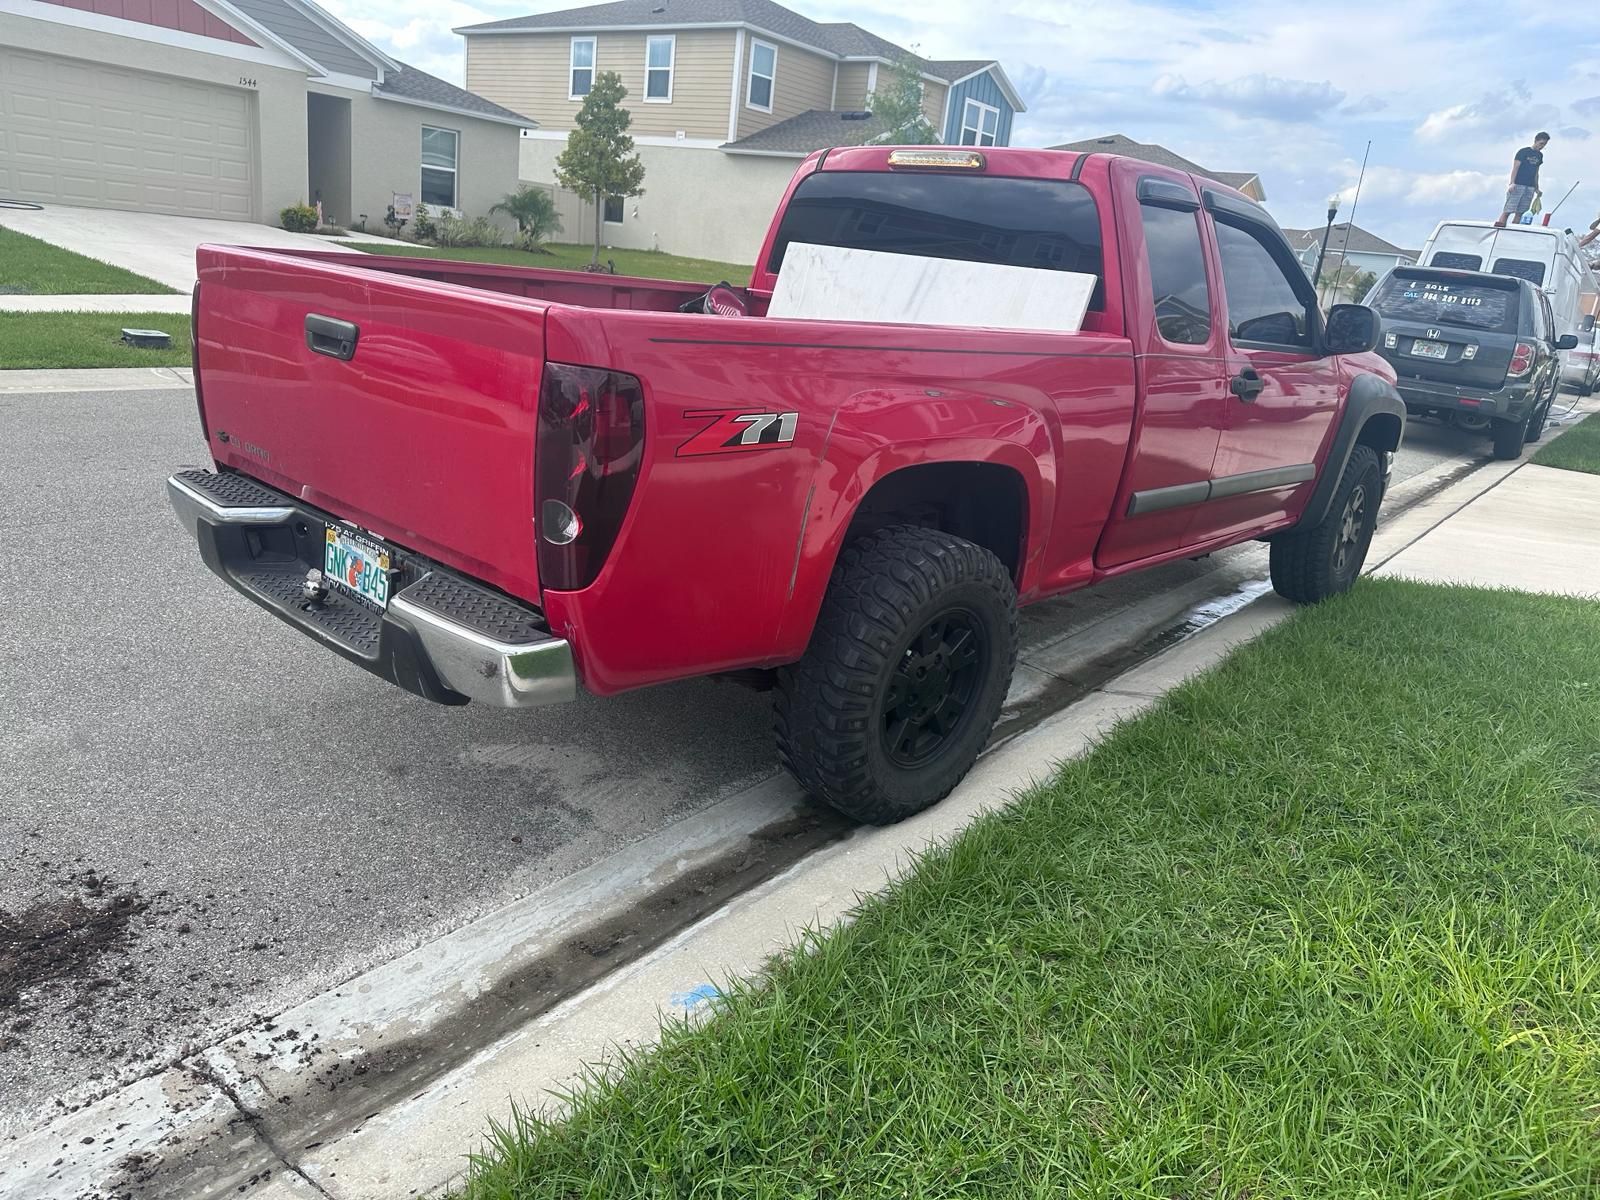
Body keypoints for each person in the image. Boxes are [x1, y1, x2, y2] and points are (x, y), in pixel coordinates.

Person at [1495, 133, 1549, 227]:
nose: (1542, 146)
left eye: (1544, 144)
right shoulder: (1523, 152)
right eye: (1541, 143)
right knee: (1508, 209)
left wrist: (1537, 187)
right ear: (1535, 141)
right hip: (1518, 184)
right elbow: (1515, 167)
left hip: (1530, 186)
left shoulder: (1539, 155)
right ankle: (1500, 228)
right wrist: (1512, 183)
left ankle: (1514, 230)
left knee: (1521, 211)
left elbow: (1536, 171)